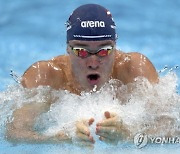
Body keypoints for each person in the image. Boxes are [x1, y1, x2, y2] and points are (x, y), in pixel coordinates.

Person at [6, 4, 158, 146]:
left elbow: (172, 128)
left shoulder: (135, 71)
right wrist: (59, 138)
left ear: (115, 47)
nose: (93, 62)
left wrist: (129, 135)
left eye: (104, 50)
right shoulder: (45, 77)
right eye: (81, 51)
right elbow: (14, 132)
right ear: (68, 48)